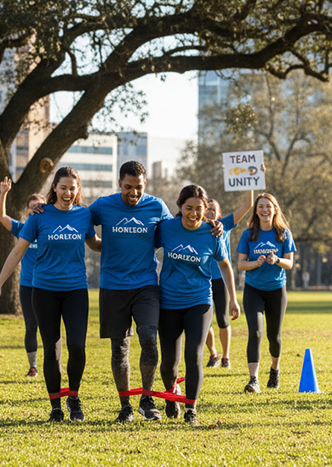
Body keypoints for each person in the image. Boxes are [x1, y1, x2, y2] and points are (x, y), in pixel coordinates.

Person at [0, 167, 100, 423]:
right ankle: (56, 406)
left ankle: (73, 397)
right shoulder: (38, 216)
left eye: (72, 188)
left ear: (77, 190)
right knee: (51, 349)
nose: (68, 193)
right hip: (44, 291)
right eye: (63, 188)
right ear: (54, 188)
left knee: (77, 346)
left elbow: (94, 243)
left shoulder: (84, 215)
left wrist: (126, 245)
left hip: (75, 290)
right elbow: (17, 252)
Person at [88, 161, 174, 423]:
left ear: (144, 184)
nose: (133, 193)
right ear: (119, 184)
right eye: (128, 187)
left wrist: (213, 225)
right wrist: (98, 244)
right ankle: (125, 406)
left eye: (138, 187)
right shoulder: (103, 205)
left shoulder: (157, 206)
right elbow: (75, 218)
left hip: (146, 284)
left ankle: (147, 399)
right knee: (119, 348)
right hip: (113, 286)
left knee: (149, 337)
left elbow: (178, 231)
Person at [155, 184, 240, 426]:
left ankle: (191, 409)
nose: (193, 214)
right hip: (168, 302)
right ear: (180, 207)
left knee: (193, 354)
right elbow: (146, 248)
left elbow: (225, 265)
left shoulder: (212, 233)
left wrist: (233, 299)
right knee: (168, 362)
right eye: (188, 208)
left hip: (199, 301)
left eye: (198, 209)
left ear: (205, 209)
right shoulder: (166, 228)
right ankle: (171, 394)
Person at [237, 193, 296, 393]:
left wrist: (276, 260)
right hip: (253, 290)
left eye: (268, 206)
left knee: (274, 336)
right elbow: (241, 264)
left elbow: (289, 263)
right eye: (261, 206)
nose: (265, 210)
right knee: (255, 333)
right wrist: (256, 262)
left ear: (275, 209)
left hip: (276, 290)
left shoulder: (284, 233)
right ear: (256, 210)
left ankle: (274, 370)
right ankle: (253, 380)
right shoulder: (248, 234)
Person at [0, 178, 49, 377]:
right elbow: (1, 216)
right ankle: (33, 366)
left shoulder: (50, 230)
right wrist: (3, 193)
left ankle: (54, 364)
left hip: (48, 285)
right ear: (27, 211)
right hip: (27, 285)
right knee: (31, 326)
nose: (36, 210)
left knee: (50, 326)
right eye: (32, 207)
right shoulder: (22, 229)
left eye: (39, 206)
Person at [204, 191, 253, 369]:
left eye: (213, 209)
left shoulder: (225, 224)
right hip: (202, 279)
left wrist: (249, 184)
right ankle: (213, 354)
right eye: (206, 209)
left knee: (223, 319)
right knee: (204, 321)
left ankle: (225, 357)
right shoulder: (197, 227)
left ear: (219, 213)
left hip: (221, 279)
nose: (209, 212)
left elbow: (247, 206)